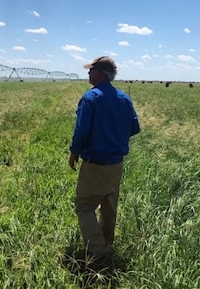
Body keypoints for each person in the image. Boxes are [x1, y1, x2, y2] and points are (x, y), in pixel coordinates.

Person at [68, 56, 140, 266]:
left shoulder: (91, 98)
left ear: (99, 73)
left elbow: (81, 132)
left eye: (90, 70)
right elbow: (134, 128)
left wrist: (74, 153)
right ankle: (107, 242)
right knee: (109, 206)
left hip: (95, 164)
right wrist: (114, 136)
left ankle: (100, 251)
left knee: (84, 206)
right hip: (116, 164)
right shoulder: (124, 99)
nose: (88, 74)